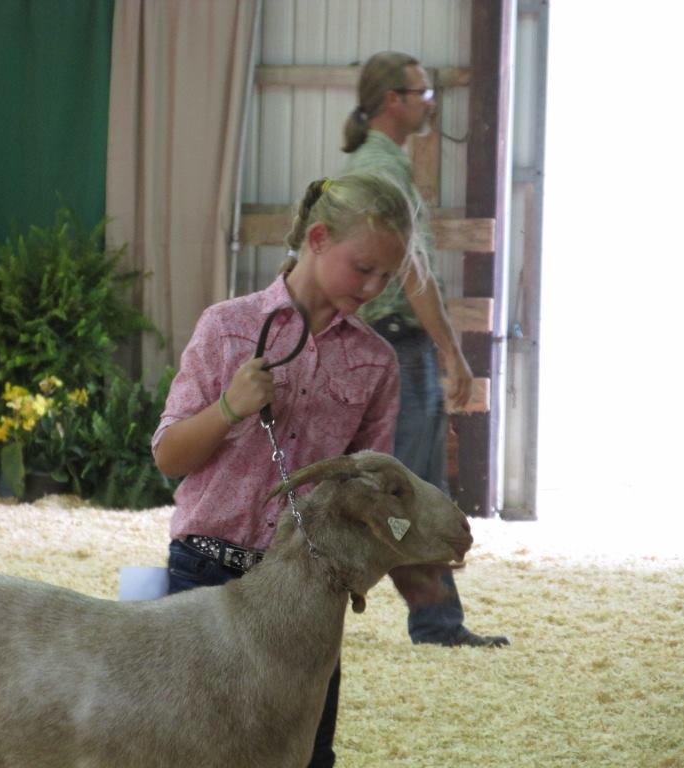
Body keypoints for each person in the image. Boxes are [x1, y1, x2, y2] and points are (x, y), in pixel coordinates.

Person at [153, 173, 415, 768]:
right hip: (204, 573)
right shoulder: (227, 327)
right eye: (363, 268)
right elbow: (169, 457)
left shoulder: (376, 361)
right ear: (318, 239)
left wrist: (399, 544)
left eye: (387, 277)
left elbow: (376, 496)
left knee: (304, 753)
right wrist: (229, 408)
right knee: (190, 751)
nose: (374, 288)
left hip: (306, 590)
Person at [342, 51, 507, 647]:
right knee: (412, 490)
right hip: (395, 342)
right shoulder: (384, 171)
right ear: (394, 101)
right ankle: (435, 622)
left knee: (398, 485)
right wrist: (452, 352)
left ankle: (433, 619)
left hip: (378, 338)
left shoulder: (374, 165)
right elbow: (413, 274)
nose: (430, 102)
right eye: (423, 93)